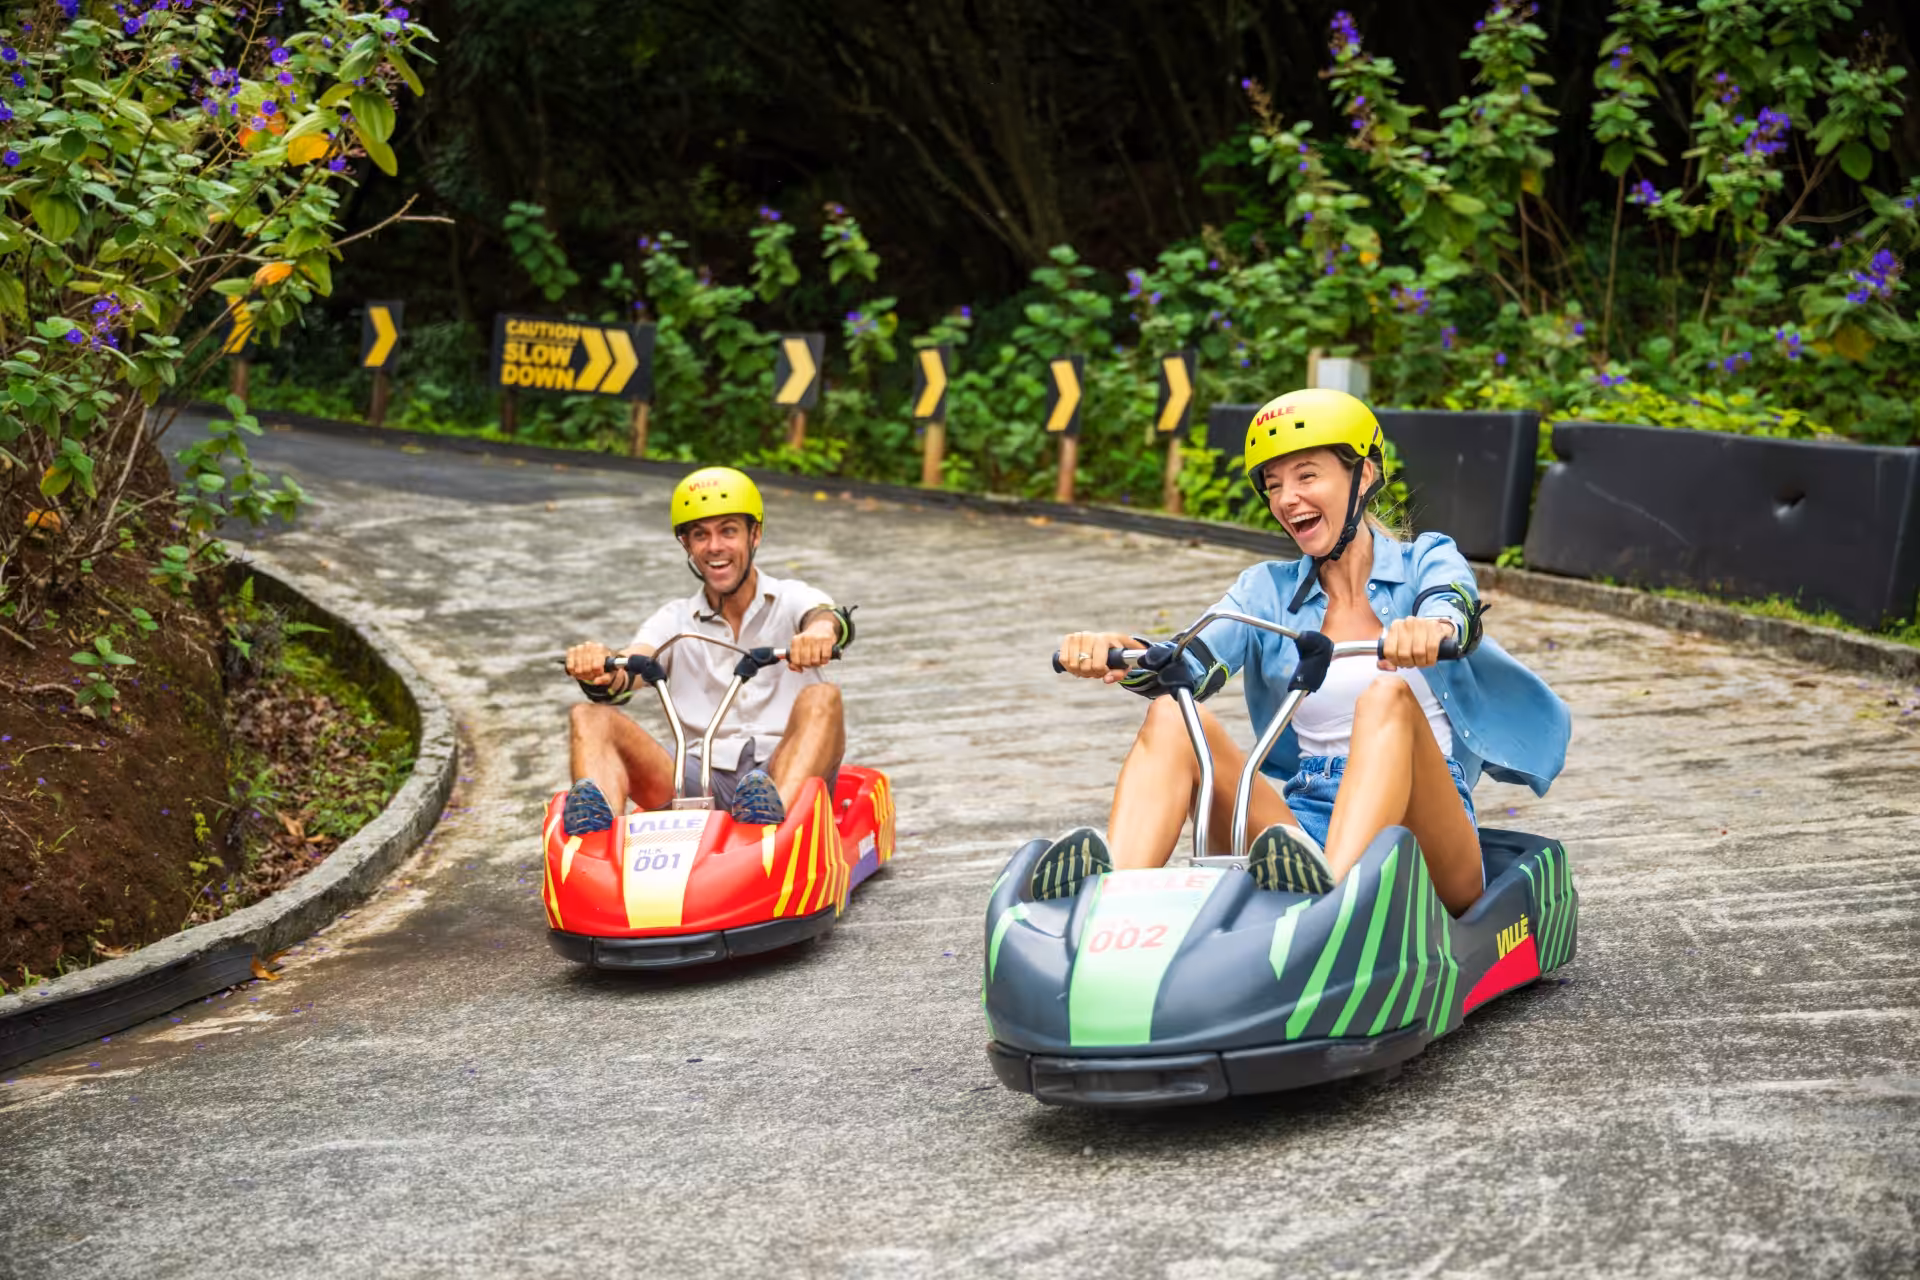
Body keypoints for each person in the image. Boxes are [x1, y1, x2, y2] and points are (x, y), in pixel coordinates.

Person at [1044, 388, 1569, 914]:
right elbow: (1186, 664)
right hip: (1304, 830)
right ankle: (1111, 903)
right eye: (1274, 485)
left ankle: (1328, 905)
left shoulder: (1425, 560)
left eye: (1307, 476)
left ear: (1363, 476)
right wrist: (1123, 651)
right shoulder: (1265, 591)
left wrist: (1432, 629)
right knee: (1172, 715)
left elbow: (1452, 603)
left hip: (1426, 831)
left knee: (1386, 695)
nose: (1287, 499)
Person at [561, 466, 855, 834]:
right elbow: (632, 664)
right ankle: (597, 845)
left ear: (754, 535)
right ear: (687, 544)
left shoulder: (791, 596)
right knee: (589, 716)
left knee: (823, 697)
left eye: (728, 531)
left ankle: (771, 823)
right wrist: (601, 669)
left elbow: (825, 616)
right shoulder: (675, 619)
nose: (714, 547)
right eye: (701, 535)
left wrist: (820, 634)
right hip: (698, 779)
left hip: (784, 767)